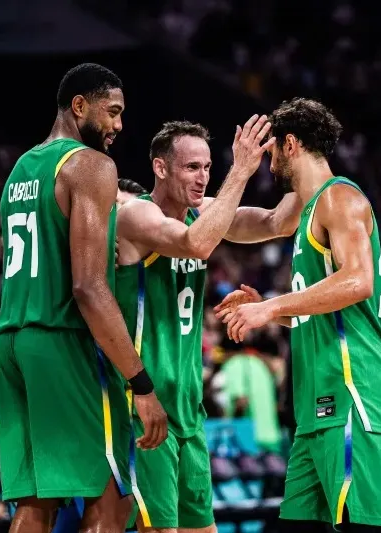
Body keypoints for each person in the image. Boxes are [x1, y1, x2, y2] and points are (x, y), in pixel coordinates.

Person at [215, 98, 381, 532]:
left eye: (270, 152)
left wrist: (273, 305)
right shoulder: (306, 209)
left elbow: (359, 281)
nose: (268, 163)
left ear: (290, 144)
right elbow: (258, 224)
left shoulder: (340, 197)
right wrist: (266, 307)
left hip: (355, 393)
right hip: (317, 404)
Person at [0, 62, 168, 533]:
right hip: (62, 342)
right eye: (112, 112)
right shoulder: (91, 165)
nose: (118, 125)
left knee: (34, 504)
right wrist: (142, 385)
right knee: (110, 497)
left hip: (12, 340)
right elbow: (88, 288)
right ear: (79, 106)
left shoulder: (20, 169)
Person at [115, 117, 300, 533]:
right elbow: (196, 243)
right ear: (161, 168)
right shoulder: (136, 215)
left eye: (207, 168)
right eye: (191, 167)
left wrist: (301, 161)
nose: (202, 178)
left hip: (189, 410)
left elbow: (276, 222)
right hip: (145, 403)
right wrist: (240, 171)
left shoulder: (203, 213)